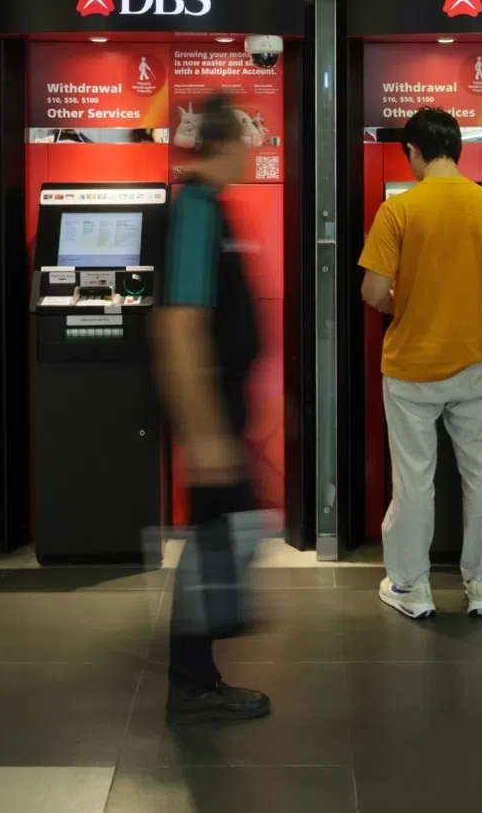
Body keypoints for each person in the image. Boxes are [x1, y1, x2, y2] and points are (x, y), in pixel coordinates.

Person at [359, 107, 482, 619]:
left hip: (411, 366)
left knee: (415, 478)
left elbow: (372, 290)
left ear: (412, 152)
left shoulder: (399, 211)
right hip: (477, 363)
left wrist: (400, 303)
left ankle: (412, 589)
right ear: (456, 148)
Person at [155, 94, 270, 725]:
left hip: (221, 415)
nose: (254, 150)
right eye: (249, 139)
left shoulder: (209, 208)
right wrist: (204, 435)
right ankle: (193, 680)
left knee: (219, 538)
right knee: (217, 539)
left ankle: (198, 673)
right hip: (211, 419)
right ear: (226, 145)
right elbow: (179, 328)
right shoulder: (196, 210)